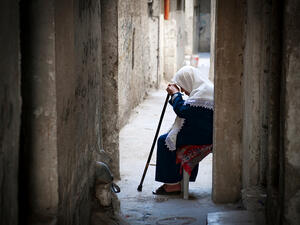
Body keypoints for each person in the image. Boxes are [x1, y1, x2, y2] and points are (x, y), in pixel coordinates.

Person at [153, 65, 214, 195]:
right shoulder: (204, 88)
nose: (185, 92)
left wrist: (175, 94)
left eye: (183, 86)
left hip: (202, 134)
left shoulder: (204, 91)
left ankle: (172, 185)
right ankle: (177, 179)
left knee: (164, 141)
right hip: (203, 131)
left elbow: (182, 111)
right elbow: (188, 108)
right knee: (170, 138)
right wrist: (176, 95)